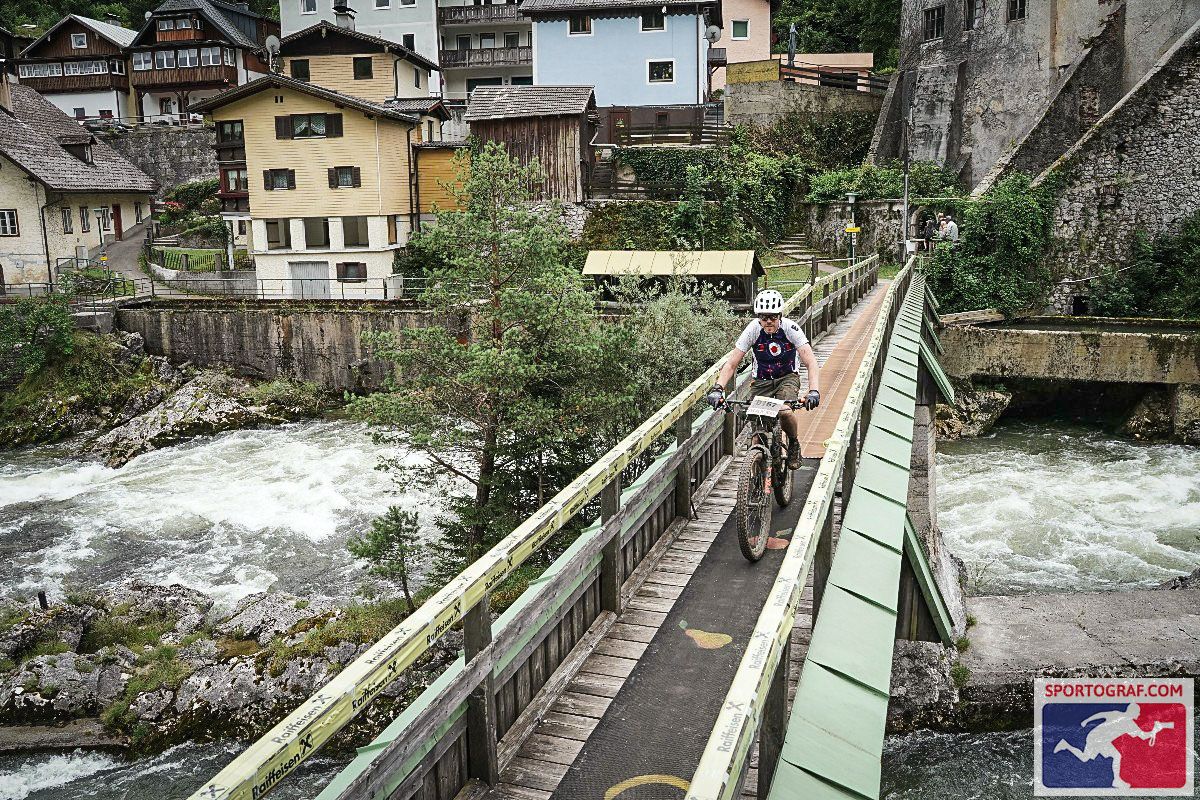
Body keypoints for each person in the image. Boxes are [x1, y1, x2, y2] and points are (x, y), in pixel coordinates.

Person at [706, 289, 821, 470]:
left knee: (784, 411)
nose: (768, 321)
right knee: (757, 430)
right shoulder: (753, 330)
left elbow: (811, 362)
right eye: (763, 317)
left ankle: (793, 443)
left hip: (787, 377)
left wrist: (813, 390)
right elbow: (731, 363)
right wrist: (718, 388)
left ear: (780, 316)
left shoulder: (790, 329)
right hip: (761, 381)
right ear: (758, 317)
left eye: (773, 317)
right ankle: (755, 474)